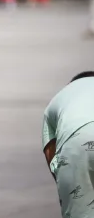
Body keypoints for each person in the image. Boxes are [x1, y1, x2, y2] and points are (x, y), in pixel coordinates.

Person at [42, 71, 94, 218]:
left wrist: (68, 186)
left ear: (70, 85)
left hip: (77, 142)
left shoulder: (58, 99)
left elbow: (51, 155)